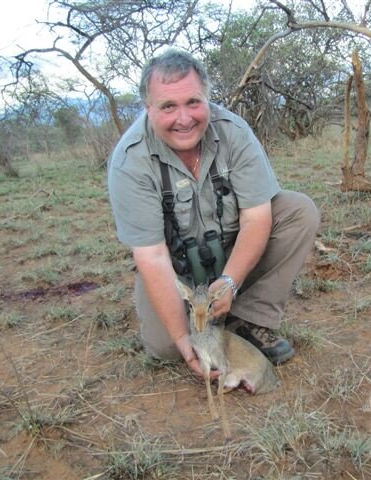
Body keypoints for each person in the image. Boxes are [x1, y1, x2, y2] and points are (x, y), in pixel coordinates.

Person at [107, 48, 319, 378]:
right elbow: (151, 256)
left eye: (193, 102)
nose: (184, 118)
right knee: (166, 348)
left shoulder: (233, 132)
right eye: (168, 106)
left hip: (232, 254)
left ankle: (250, 318)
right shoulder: (129, 161)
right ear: (148, 109)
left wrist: (231, 282)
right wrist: (180, 337)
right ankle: (201, 324)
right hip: (177, 273)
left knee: (297, 210)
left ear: (207, 97)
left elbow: (256, 217)